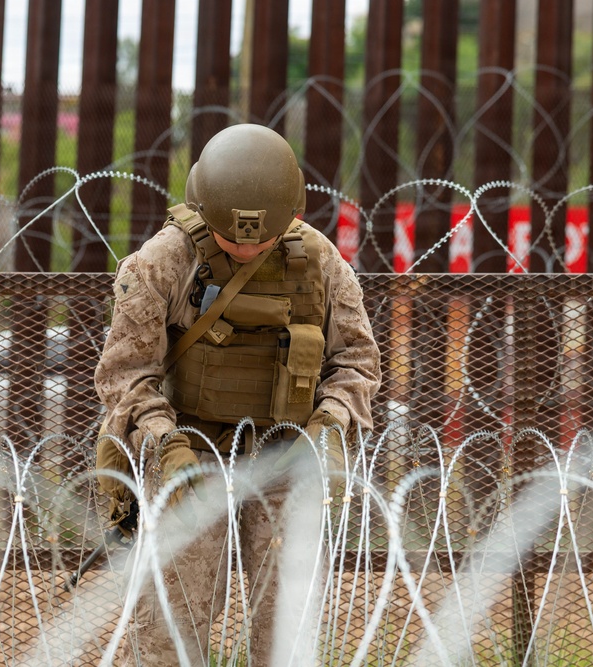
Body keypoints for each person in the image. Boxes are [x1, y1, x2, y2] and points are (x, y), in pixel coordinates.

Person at [94, 123, 381, 665]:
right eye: (234, 237)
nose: (248, 246)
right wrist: (164, 440)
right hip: (190, 454)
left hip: (286, 453)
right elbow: (126, 372)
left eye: (261, 237)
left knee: (287, 627)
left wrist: (328, 425)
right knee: (171, 628)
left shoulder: (320, 263)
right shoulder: (163, 262)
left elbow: (357, 361)